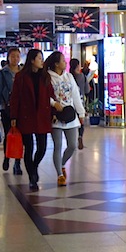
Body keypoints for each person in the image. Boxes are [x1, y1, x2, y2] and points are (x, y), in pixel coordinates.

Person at [10, 49, 55, 190]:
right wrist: (13, 116)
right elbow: (15, 97)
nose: (42, 61)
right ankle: (32, 178)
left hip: (42, 115)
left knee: (42, 148)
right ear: (32, 60)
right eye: (39, 58)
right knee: (28, 148)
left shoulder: (45, 77)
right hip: (26, 116)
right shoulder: (21, 77)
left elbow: (51, 96)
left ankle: (33, 167)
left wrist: (53, 112)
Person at [47, 52, 85, 186]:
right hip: (56, 116)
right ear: (56, 64)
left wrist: (81, 113)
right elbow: (44, 95)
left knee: (72, 145)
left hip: (70, 115)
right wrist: (53, 103)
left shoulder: (69, 76)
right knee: (57, 145)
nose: (65, 62)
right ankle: (59, 174)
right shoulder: (47, 78)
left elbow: (76, 95)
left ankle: (62, 163)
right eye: (63, 60)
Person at [0, 48, 22, 175]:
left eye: (17, 56)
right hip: (7, 108)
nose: (15, 59)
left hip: (21, 108)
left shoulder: (23, 72)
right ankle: (7, 156)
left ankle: (17, 163)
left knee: (20, 136)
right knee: (9, 134)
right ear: (8, 58)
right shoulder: (3, 73)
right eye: (13, 56)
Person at [70, 58, 93, 150]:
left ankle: (71, 140)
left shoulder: (68, 76)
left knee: (71, 122)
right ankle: (80, 136)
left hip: (69, 103)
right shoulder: (82, 76)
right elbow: (87, 90)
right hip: (80, 101)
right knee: (81, 121)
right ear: (78, 66)